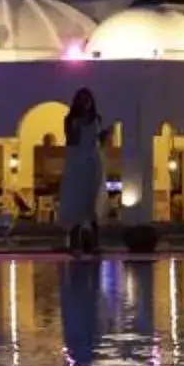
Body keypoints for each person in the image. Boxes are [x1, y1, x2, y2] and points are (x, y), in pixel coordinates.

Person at [58, 88, 108, 253]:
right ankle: (75, 242)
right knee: (76, 201)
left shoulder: (97, 119)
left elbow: (100, 140)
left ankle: (95, 242)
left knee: (92, 201)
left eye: (88, 99)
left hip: (93, 162)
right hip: (77, 162)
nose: (85, 103)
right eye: (82, 99)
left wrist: (106, 135)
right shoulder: (71, 119)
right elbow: (71, 141)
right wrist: (76, 126)